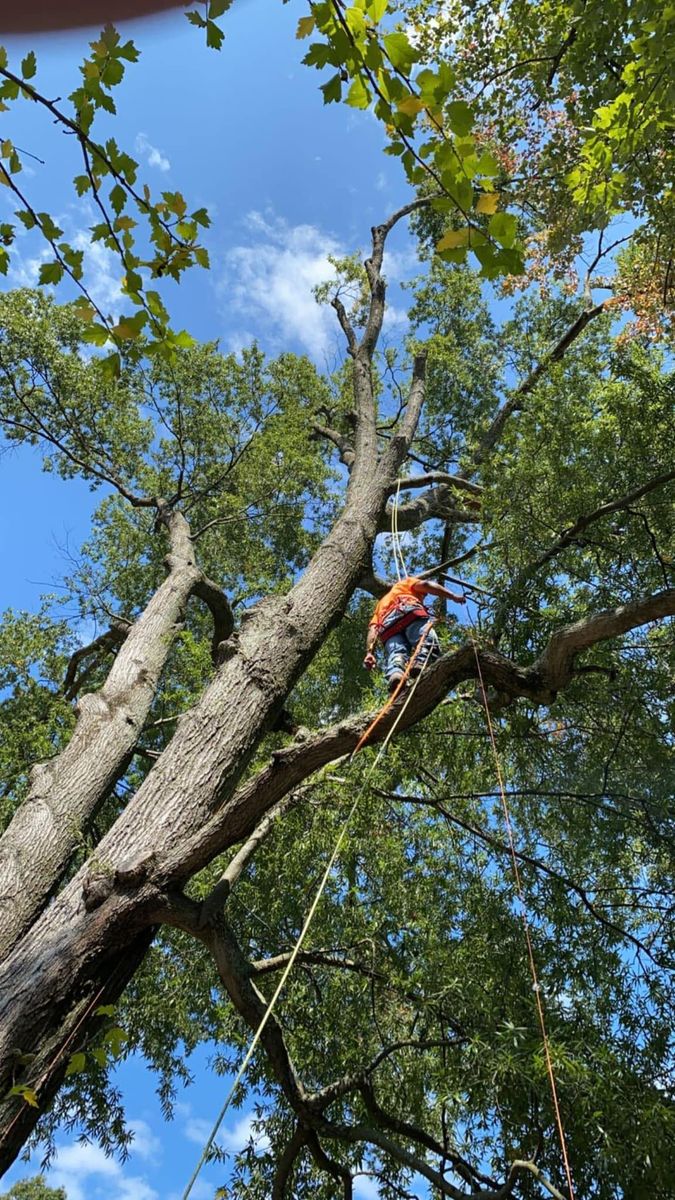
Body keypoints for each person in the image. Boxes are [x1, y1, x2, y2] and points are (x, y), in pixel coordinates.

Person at [364, 575, 465, 693]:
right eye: (423, 595)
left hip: (388, 629)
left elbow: (373, 630)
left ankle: (396, 674)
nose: (423, 597)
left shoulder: (380, 604)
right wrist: (453, 596)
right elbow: (426, 585)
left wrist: (369, 652)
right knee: (428, 641)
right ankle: (421, 661)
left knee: (396, 654)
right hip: (408, 613)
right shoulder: (404, 583)